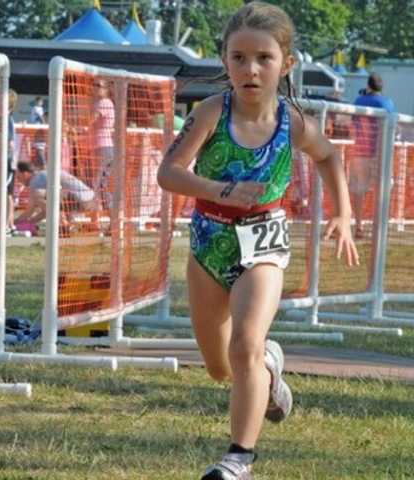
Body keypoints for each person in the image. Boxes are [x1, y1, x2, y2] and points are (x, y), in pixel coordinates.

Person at [156, 3, 359, 479]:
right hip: (210, 241)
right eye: (239, 57)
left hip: (265, 240)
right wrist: (220, 190)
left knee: (245, 344)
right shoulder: (211, 111)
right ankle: (270, 372)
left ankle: (238, 459)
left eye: (263, 58)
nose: (250, 69)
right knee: (220, 367)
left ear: (285, 64)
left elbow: (329, 158)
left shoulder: (293, 121)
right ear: (225, 61)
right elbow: (169, 173)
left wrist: (344, 215)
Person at [350, 72, 395, 238]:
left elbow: (352, 125)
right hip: (380, 154)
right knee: (382, 190)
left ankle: (359, 225)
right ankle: (378, 226)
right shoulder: (387, 103)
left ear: (368, 85)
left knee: (358, 190)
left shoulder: (359, 101)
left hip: (360, 152)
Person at [15, 161, 97, 234]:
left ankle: (62, 223)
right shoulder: (41, 175)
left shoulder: (36, 181)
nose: (18, 181)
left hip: (81, 199)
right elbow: (44, 210)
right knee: (47, 200)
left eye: (18, 177)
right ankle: (64, 224)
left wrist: (13, 224)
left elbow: (30, 210)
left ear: (25, 174)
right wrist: (28, 222)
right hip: (90, 200)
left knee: (37, 194)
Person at [90, 80, 115, 210]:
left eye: (98, 86)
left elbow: (90, 120)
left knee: (98, 183)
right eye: (93, 85)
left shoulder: (104, 103)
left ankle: (103, 215)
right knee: (99, 183)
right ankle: (102, 216)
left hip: (103, 146)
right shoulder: (98, 103)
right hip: (100, 146)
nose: (94, 88)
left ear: (106, 89)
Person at [6, 89, 19, 234]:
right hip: (8, 160)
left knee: (6, 193)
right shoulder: (7, 118)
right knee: (7, 193)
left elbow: (9, 142)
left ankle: (8, 224)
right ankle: (9, 224)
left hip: (8, 161)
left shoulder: (8, 119)